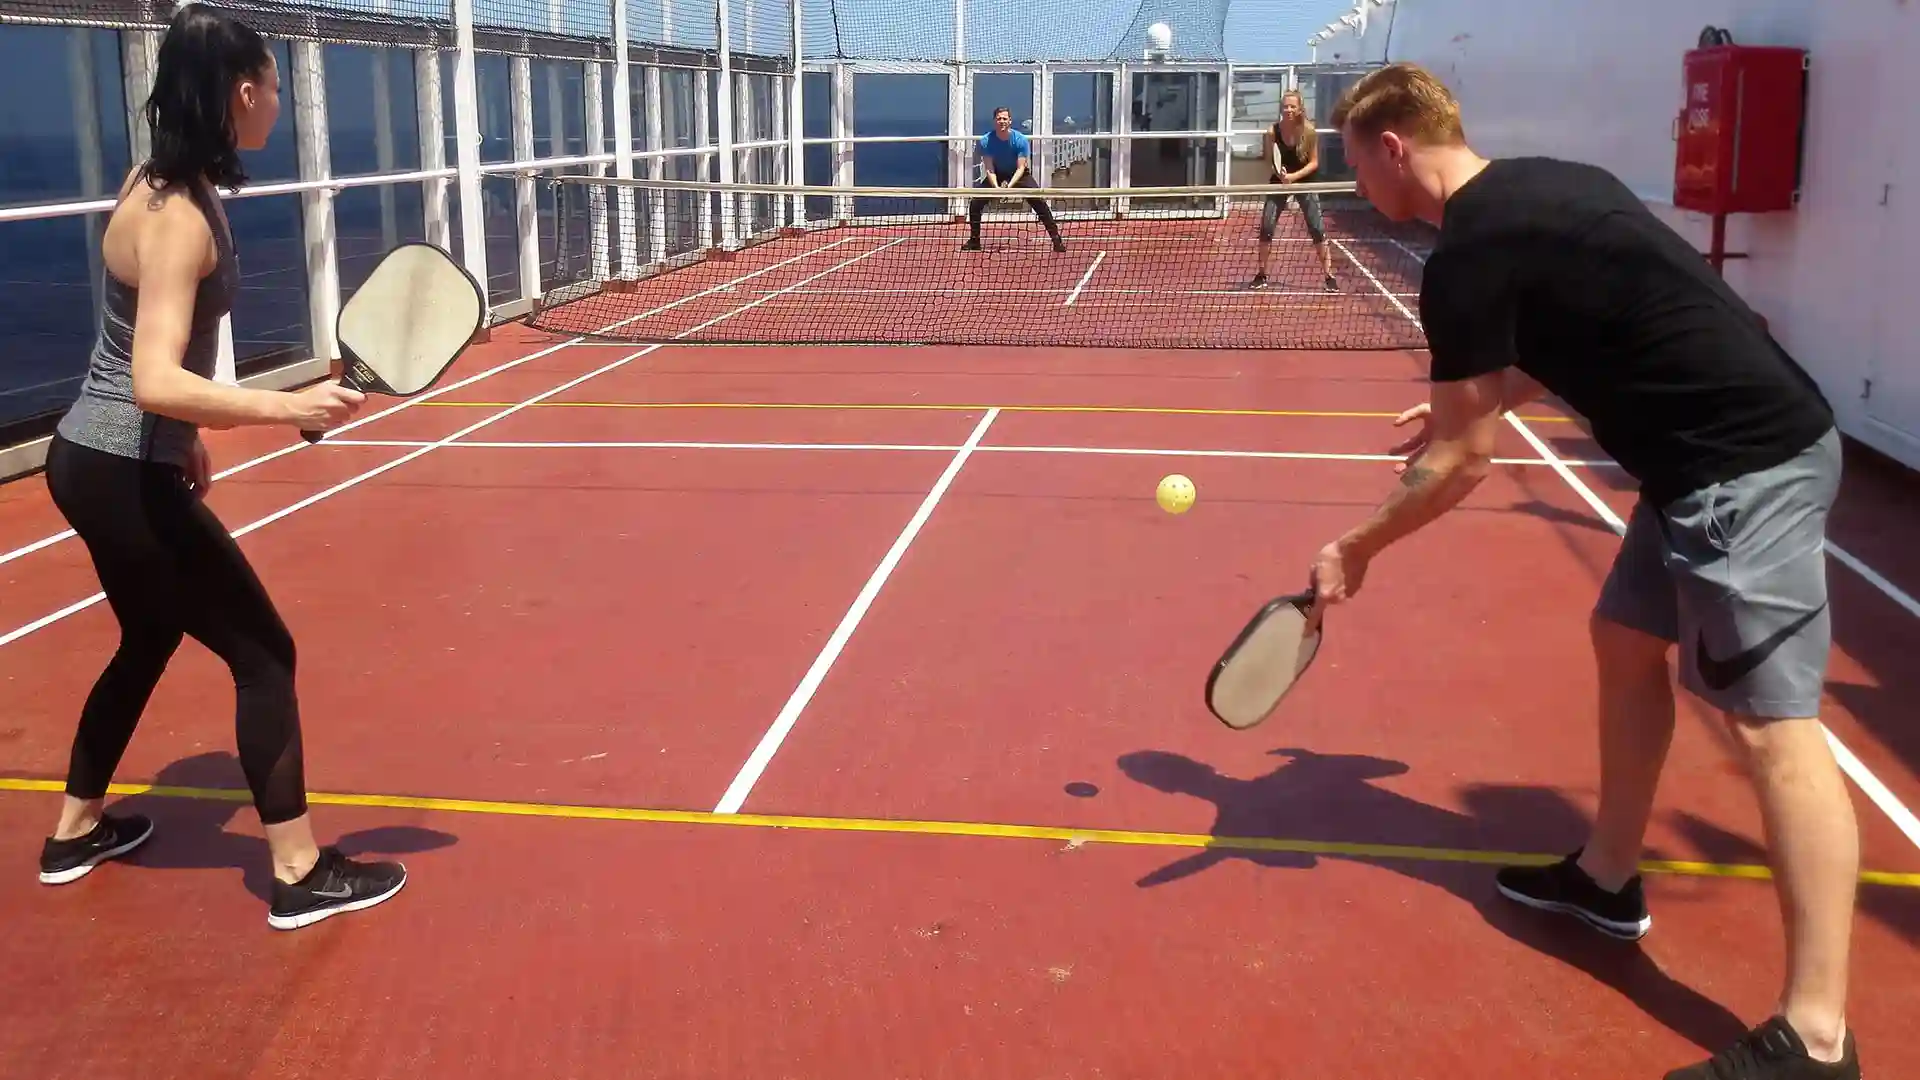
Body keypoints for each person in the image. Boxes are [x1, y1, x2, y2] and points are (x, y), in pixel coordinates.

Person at [1310, 62, 1860, 1080]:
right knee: (1623, 638)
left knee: (1775, 733)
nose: (1358, 195)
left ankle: (1817, 1039)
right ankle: (1607, 876)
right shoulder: (1556, 184)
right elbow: (1586, 329)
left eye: (1357, 169)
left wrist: (1357, 549)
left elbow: (1459, 467)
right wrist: (1478, 402)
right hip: (1696, 457)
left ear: (1394, 149)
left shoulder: (1466, 257)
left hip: (1742, 468)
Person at [37, 1, 408, 932]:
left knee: (149, 636)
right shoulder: (179, 222)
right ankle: (296, 872)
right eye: (275, 85)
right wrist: (285, 406)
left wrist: (188, 438)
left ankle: (75, 832)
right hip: (118, 469)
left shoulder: (161, 185)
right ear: (244, 91)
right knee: (264, 653)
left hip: (97, 456)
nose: (279, 103)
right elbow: (156, 378)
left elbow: (137, 356)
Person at [1250, 89, 1338, 293]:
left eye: (1292, 106)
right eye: (1285, 106)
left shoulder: (1309, 131)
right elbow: (1269, 161)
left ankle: (1329, 276)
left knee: (1316, 228)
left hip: (1305, 182)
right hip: (1279, 182)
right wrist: (1279, 174)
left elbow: (1315, 163)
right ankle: (1261, 274)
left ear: (1300, 108)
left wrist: (1293, 177)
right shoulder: (1273, 131)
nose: (1288, 110)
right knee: (1266, 226)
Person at [962, 107, 1066, 253]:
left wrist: (1009, 187)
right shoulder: (985, 141)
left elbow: (1021, 168)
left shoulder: (1020, 140)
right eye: (999, 118)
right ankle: (974, 240)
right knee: (975, 203)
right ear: (994, 121)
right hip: (997, 172)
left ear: (1010, 121)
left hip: (1018, 173)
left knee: (1039, 202)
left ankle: (1056, 239)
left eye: (1005, 118)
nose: (1002, 121)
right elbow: (989, 168)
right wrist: (997, 189)